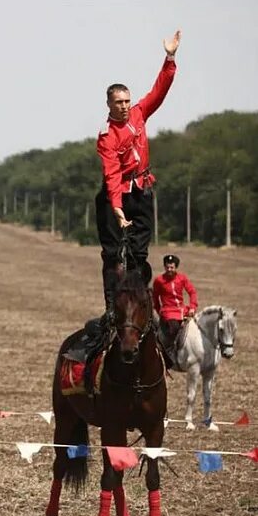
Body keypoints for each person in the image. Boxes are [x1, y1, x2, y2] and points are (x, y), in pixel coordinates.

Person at [65, 30, 181, 363]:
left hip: (142, 193)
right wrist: (116, 208)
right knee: (114, 257)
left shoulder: (140, 114)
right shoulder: (107, 135)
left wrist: (170, 58)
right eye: (119, 102)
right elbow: (111, 173)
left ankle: (144, 310)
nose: (126, 106)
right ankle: (111, 312)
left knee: (140, 255)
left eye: (128, 101)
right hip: (116, 197)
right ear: (109, 105)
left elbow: (159, 90)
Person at [152, 254, 198, 344]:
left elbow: (192, 292)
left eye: (172, 267)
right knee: (174, 328)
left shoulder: (182, 278)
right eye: (167, 267)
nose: (169, 270)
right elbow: (155, 298)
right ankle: (171, 350)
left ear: (176, 267)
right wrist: (159, 312)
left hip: (182, 310)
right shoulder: (159, 280)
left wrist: (192, 307)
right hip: (168, 312)